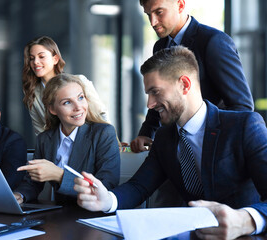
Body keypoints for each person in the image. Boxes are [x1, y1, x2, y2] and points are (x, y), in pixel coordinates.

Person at [74, 46, 267, 239]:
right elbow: (139, 186)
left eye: (155, 92)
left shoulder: (244, 126)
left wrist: (245, 220)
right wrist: (107, 200)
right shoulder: (165, 138)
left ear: (184, 84)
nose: (150, 104)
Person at [130, 0, 254, 153]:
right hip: (176, 152)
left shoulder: (213, 42)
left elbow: (242, 106)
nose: (153, 22)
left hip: (212, 150)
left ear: (180, 5)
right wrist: (146, 133)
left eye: (159, 12)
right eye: (148, 14)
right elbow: (159, 94)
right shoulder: (160, 46)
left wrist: (215, 147)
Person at [14, 73, 120, 204]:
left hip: (92, 216)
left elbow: (106, 187)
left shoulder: (103, 133)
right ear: (52, 109)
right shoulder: (45, 139)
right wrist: (20, 195)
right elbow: (33, 182)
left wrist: (59, 175)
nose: (78, 107)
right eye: (67, 102)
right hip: (60, 215)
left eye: (81, 98)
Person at [22, 36, 108, 135]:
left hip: (90, 142)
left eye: (41, 57)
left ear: (55, 59)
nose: (35, 62)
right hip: (58, 147)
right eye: (32, 58)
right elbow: (40, 132)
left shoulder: (80, 81)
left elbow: (101, 114)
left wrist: (110, 141)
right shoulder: (32, 94)